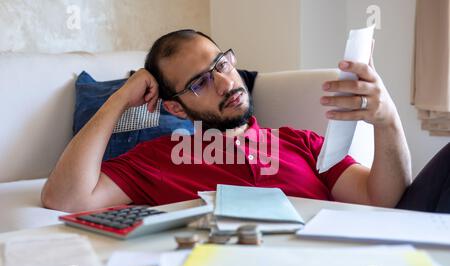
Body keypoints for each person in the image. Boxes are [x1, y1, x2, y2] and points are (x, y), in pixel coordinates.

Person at [41, 29, 448, 214]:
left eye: (222, 63)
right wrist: (119, 98)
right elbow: (65, 198)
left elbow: (383, 200)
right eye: (200, 81)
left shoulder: (299, 142)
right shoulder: (158, 159)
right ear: (176, 109)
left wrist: (386, 119)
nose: (224, 81)